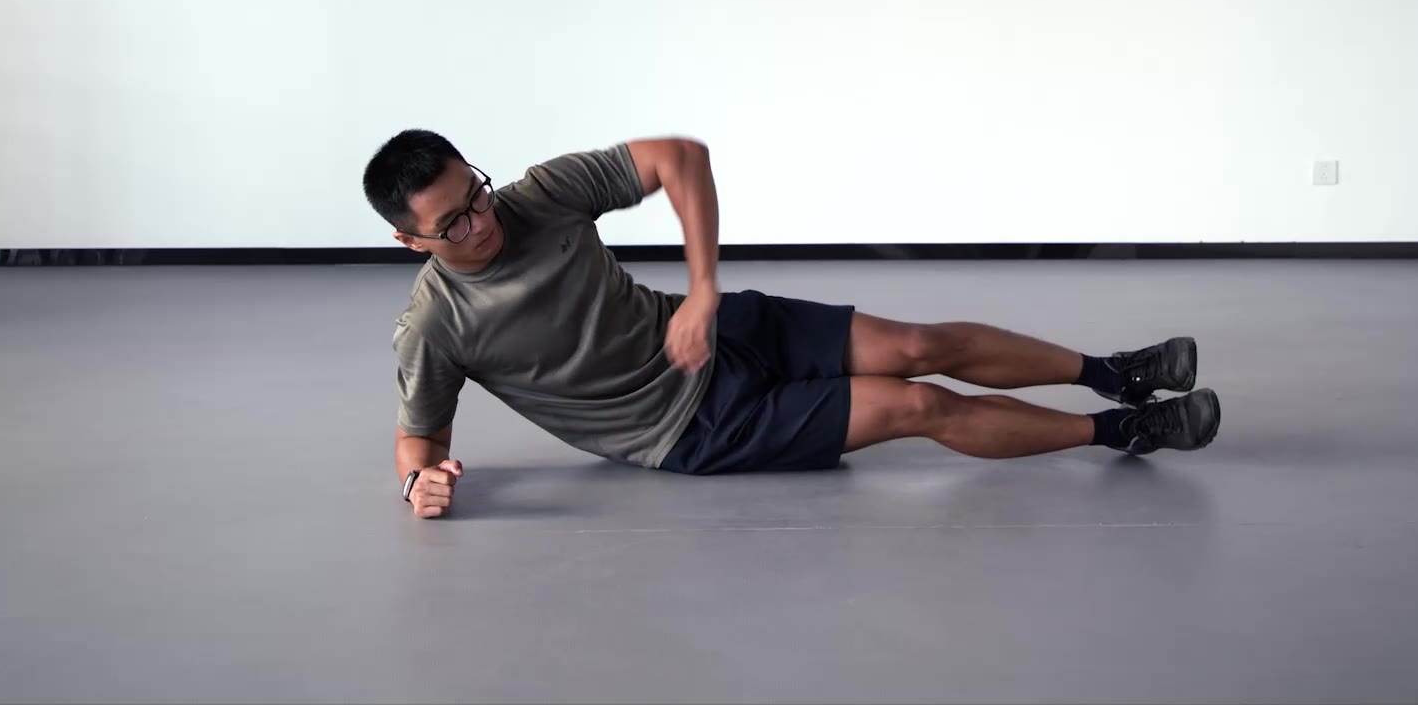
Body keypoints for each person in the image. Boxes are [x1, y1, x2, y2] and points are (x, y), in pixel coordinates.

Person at [363, 130, 1221, 519]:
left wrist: (704, 290)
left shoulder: (539, 196)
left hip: (716, 330)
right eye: (453, 222)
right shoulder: (435, 327)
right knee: (917, 404)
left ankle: (1114, 371)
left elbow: (681, 157)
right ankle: (1124, 430)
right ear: (410, 241)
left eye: (476, 192)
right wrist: (418, 485)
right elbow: (418, 439)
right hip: (689, 426)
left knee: (920, 344)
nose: (481, 220)